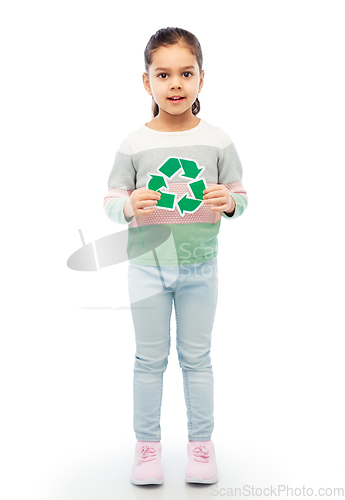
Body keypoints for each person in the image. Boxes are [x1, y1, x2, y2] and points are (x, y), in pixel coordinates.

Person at [103, 27, 248, 486]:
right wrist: (127, 205)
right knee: (149, 360)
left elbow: (240, 198)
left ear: (202, 78)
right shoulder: (132, 144)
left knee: (197, 358)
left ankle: (200, 447)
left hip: (201, 270)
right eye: (163, 75)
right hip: (147, 269)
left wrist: (228, 200)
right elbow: (110, 202)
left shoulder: (219, 141)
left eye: (186, 73)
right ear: (147, 82)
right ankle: (147, 450)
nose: (176, 84)